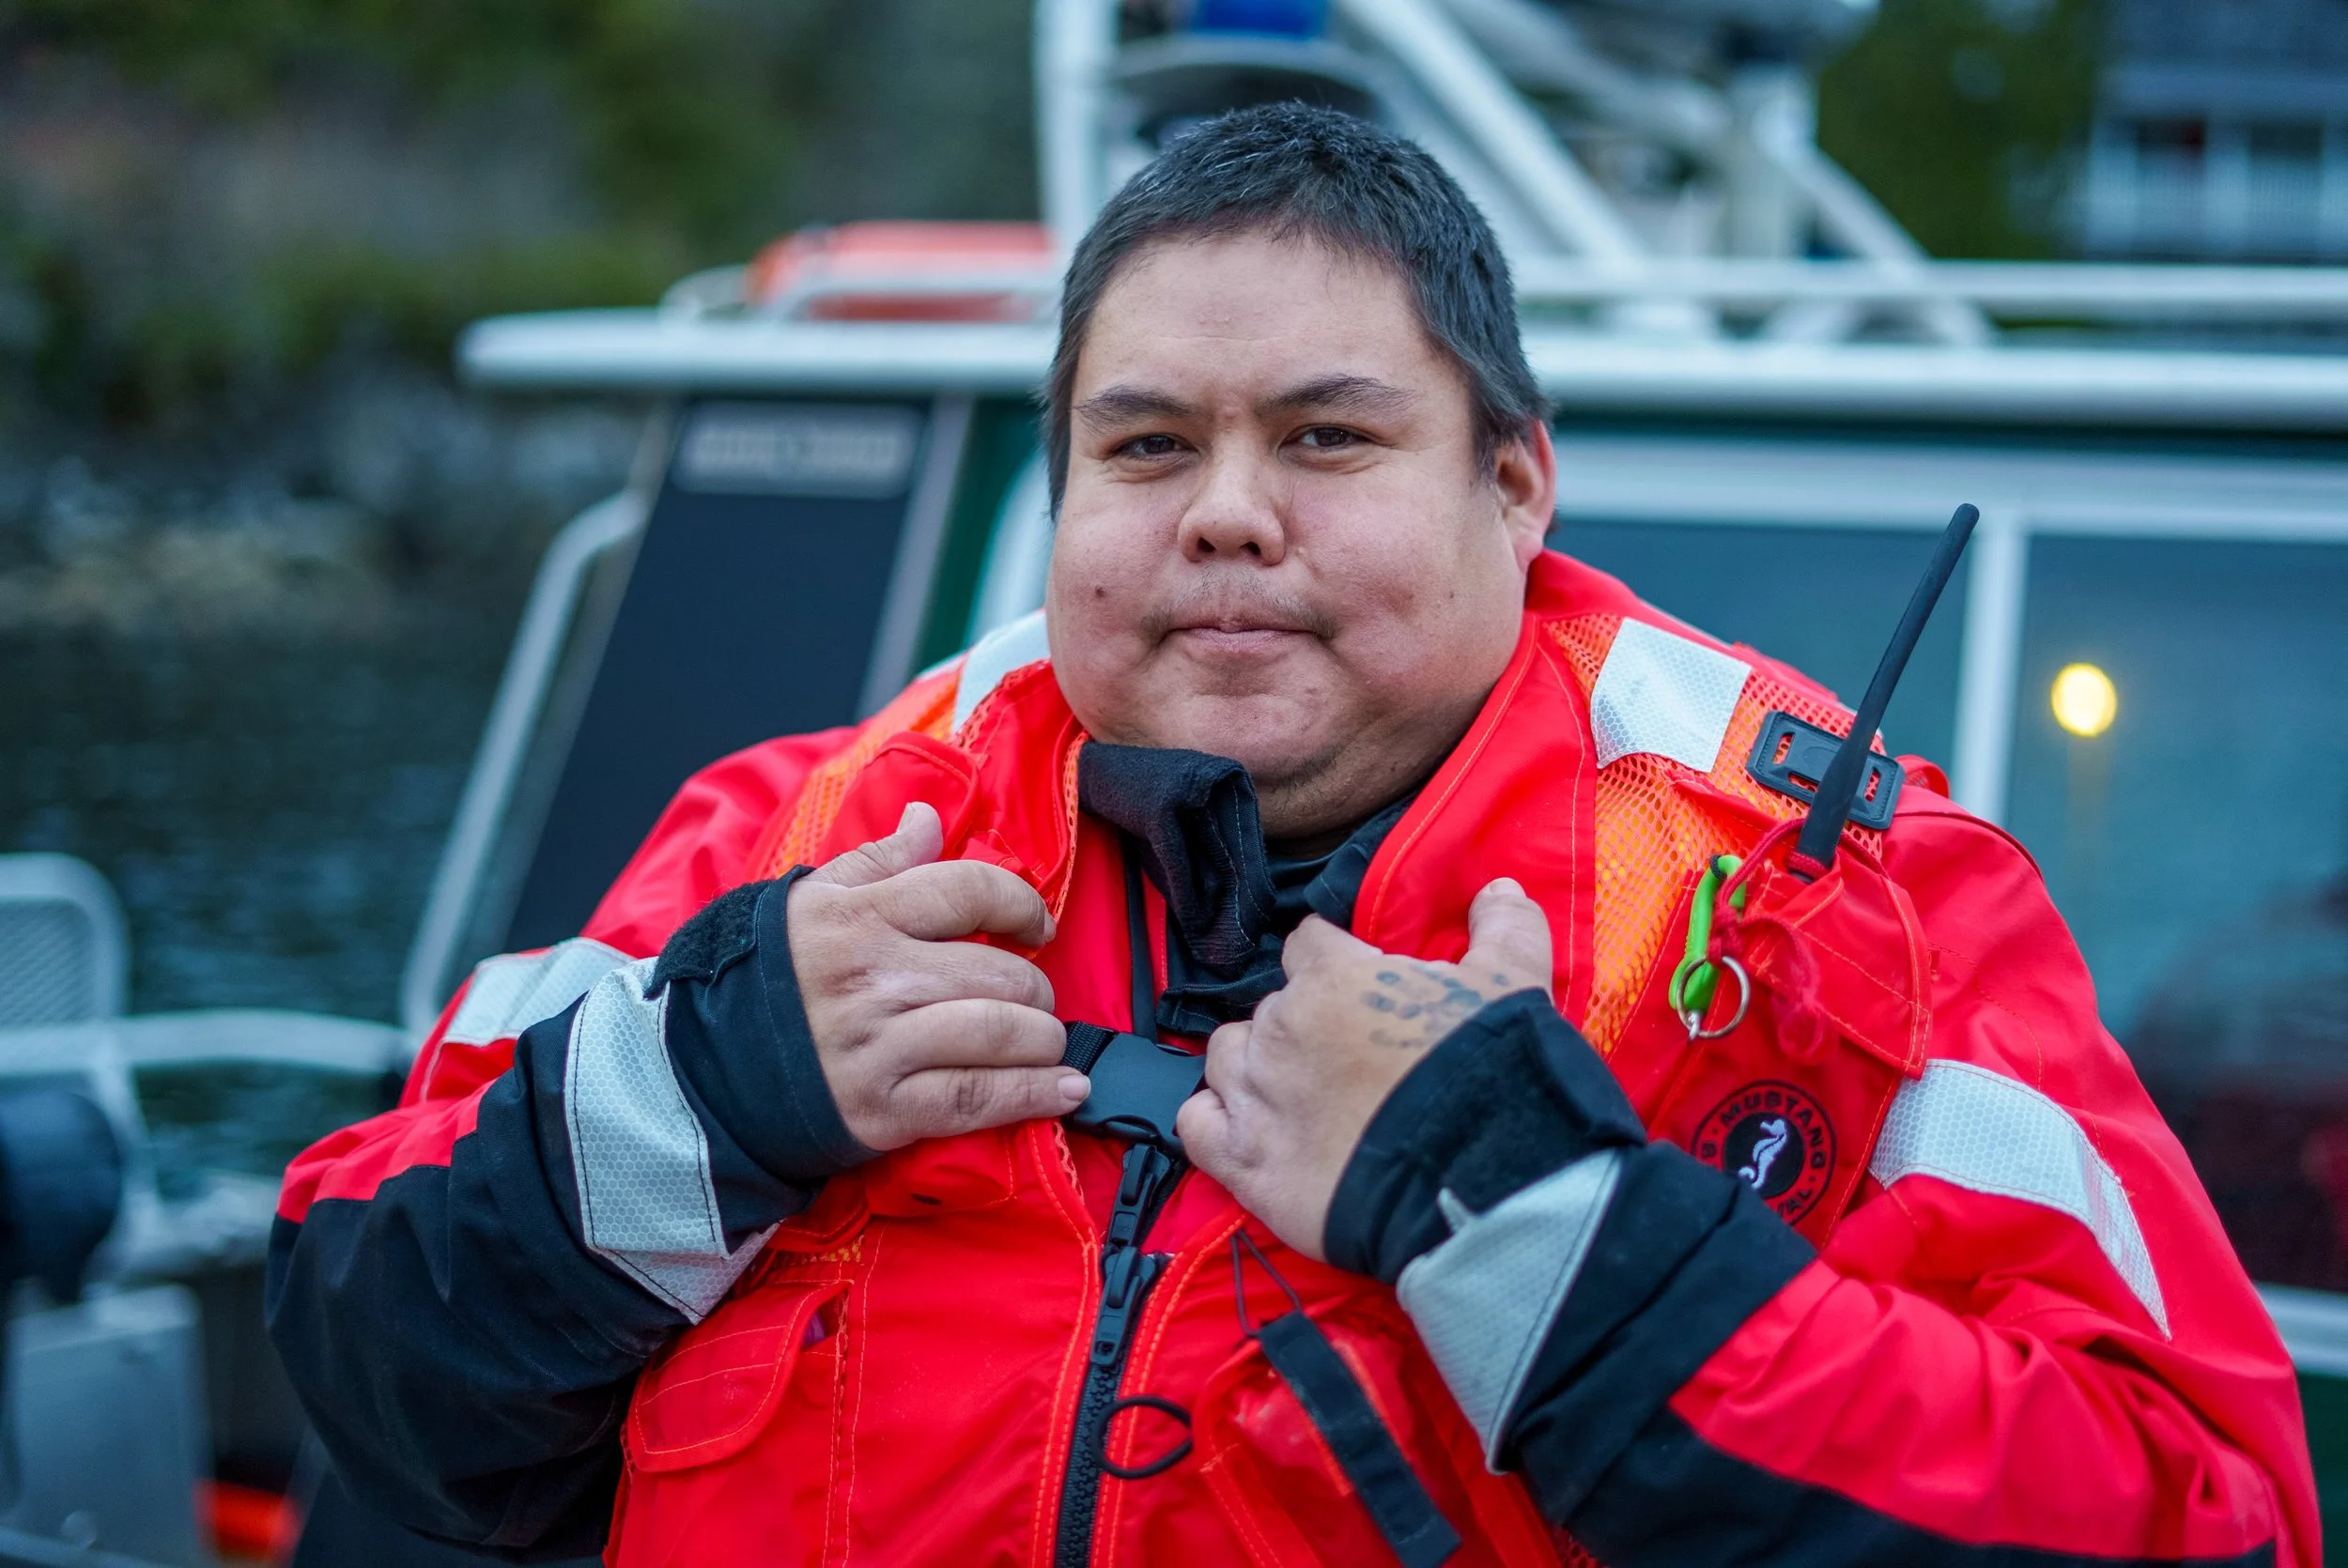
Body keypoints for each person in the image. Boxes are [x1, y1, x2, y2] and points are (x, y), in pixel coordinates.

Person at [267, 103, 2318, 1566]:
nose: (1224, 512)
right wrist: (698, 1090)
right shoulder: (790, 841)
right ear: (1063, 498)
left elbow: (2195, 1509)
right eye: (1144, 445)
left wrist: (1530, 1217)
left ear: (1514, 486)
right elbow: (371, 1380)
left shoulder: (1845, 906)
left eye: (1325, 438)